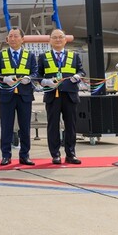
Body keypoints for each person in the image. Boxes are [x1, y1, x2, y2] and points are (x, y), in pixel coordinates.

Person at [0, 28, 38, 166]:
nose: (12, 39)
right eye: (10, 36)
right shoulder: (0, 55)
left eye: (16, 36)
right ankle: (6, 155)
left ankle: (25, 155)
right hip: (7, 95)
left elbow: (35, 72)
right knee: (6, 127)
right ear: (7, 40)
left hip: (24, 95)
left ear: (22, 39)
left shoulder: (29, 56)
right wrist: (5, 79)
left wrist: (29, 78)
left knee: (25, 126)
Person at [39, 28, 85, 164]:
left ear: (65, 40)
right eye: (55, 37)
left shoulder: (74, 56)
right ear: (50, 40)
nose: (58, 40)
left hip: (70, 95)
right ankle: (55, 154)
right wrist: (45, 82)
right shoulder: (43, 57)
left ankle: (71, 154)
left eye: (60, 37)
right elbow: (38, 75)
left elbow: (82, 71)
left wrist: (78, 76)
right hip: (52, 95)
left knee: (71, 125)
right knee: (53, 125)